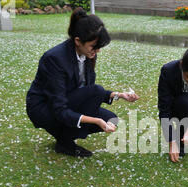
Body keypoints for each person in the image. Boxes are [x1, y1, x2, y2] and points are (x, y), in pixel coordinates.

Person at [26, 8, 139, 158]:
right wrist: (96, 120)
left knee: (111, 119)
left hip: (67, 100)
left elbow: (83, 90)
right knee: (97, 94)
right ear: (78, 41)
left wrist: (119, 95)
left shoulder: (87, 54)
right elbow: (60, 108)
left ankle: (63, 136)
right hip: (45, 107)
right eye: (94, 47)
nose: (97, 51)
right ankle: (65, 142)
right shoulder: (54, 59)